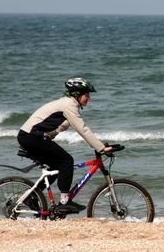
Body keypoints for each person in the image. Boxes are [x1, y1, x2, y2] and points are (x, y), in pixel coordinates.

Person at [17, 78, 112, 213]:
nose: (89, 98)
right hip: (32, 137)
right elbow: (82, 129)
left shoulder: (66, 104)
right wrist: (101, 148)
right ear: (77, 95)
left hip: (30, 136)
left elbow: (60, 126)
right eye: (87, 95)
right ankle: (64, 201)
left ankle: (31, 197)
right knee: (67, 161)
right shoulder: (69, 105)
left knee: (57, 166)